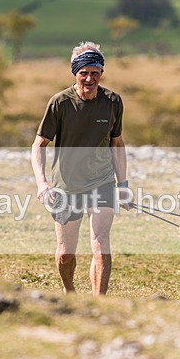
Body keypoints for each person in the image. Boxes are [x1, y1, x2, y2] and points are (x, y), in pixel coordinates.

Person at [31, 41, 130, 296]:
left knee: (100, 244)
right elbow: (39, 144)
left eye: (94, 72)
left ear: (101, 73)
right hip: (67, 186)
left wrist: (123, 185)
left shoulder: (112, 102)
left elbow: (117, 143)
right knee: (66, 253)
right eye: (84, 72)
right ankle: (69, 291)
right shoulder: (60, 103)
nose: (89, 78)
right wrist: (42, 183)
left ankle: (99, 301)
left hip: (102, 182)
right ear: (75, 73)